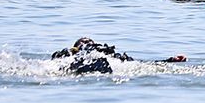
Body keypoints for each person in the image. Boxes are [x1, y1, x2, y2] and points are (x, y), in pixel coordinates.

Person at [50, 36, 186, 75]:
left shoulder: (107, 53)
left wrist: (169, 60)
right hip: (105, 66)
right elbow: (140, 65)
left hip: (94, 64)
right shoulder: (74, 53)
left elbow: (138, 63)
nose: (88, 42)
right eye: (84, 41)